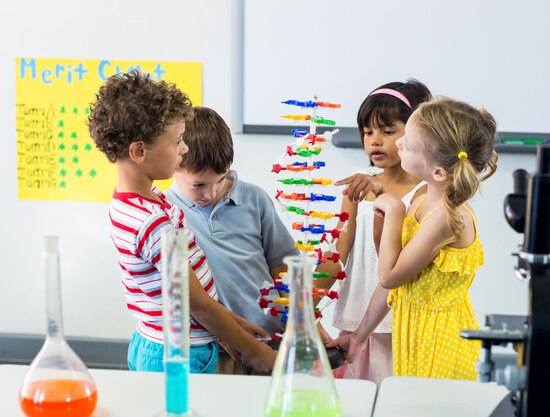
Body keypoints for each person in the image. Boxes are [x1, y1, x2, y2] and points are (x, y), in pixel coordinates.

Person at [88, 71, 275, 374]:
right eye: (176, 142)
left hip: (170, 341)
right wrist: (257, 353)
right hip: (179, 353)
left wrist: (232, 326)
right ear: (139, 151)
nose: (184, 149)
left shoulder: (140, 202)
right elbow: (196, 303)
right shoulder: (152, 224)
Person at [327, 96, 498, 379]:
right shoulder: (422, 201)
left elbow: (390, 276)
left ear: (438, 171)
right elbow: (397, 282)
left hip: (437, 341)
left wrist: (394, 211)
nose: (400, 144)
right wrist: (359, 336)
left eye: (410, 143)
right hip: (413, 332)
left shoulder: (446, 216)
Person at [164, 106, 299, 374]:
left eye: (221, 179)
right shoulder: (166, 212)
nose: (210, 192)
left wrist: (300, 320)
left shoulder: (254, 199)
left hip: (268, 337)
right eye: (199, 185)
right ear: (174, 166)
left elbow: (282, 265)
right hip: (215, 345)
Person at [315, 80, 431, 385]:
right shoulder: (359, 183)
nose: (375, 141)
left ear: (416, 134)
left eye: (387, 131)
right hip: (354, 322)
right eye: (368, 132)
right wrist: (305, 302)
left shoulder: (425, 193)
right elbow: (337, 254)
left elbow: (401, 264)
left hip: (398, 325)